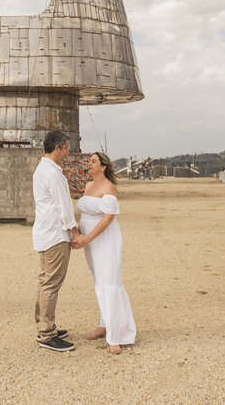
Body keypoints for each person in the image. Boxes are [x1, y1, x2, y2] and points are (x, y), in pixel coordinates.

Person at [73, 151, 136, 354]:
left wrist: (86, 238)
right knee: (99, 280)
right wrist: (77, 232)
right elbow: (87, 214)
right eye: (88, 161)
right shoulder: (89, 186)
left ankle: (116, 335)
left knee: (109, 281)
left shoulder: (109, 188)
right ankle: (104, 323)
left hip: (104, 240)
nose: (89, 164)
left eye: (93, 161)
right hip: (90, 241)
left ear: (103, 167)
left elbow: (108, 218)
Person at [32, 130, 79, 352]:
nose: (68, 152)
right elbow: (64, 206)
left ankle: (44, 325)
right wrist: (75, 231)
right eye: (67, 147)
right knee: (52, 284)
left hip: (44, 233)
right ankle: (47, 334)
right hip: (55, 235)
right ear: (58, 147)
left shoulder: (42, 169)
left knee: (44, 281)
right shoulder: (53, 174)